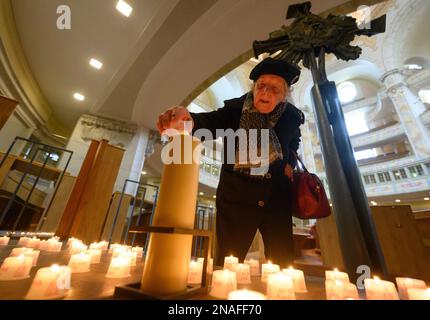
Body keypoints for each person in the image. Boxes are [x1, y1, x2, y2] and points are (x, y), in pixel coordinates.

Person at [157, 58, 305, 267]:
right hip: (237, 194)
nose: (265, 92)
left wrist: (289, 161)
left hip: (276, 195)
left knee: (282, 262)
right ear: (253, 88)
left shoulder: (291, 116)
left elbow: (294, 140)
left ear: (284, 95)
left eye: (274, 88)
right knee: (228, 262)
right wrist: (186, 121)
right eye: (261, 86)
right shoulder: (235, 110)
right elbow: (208, 123)